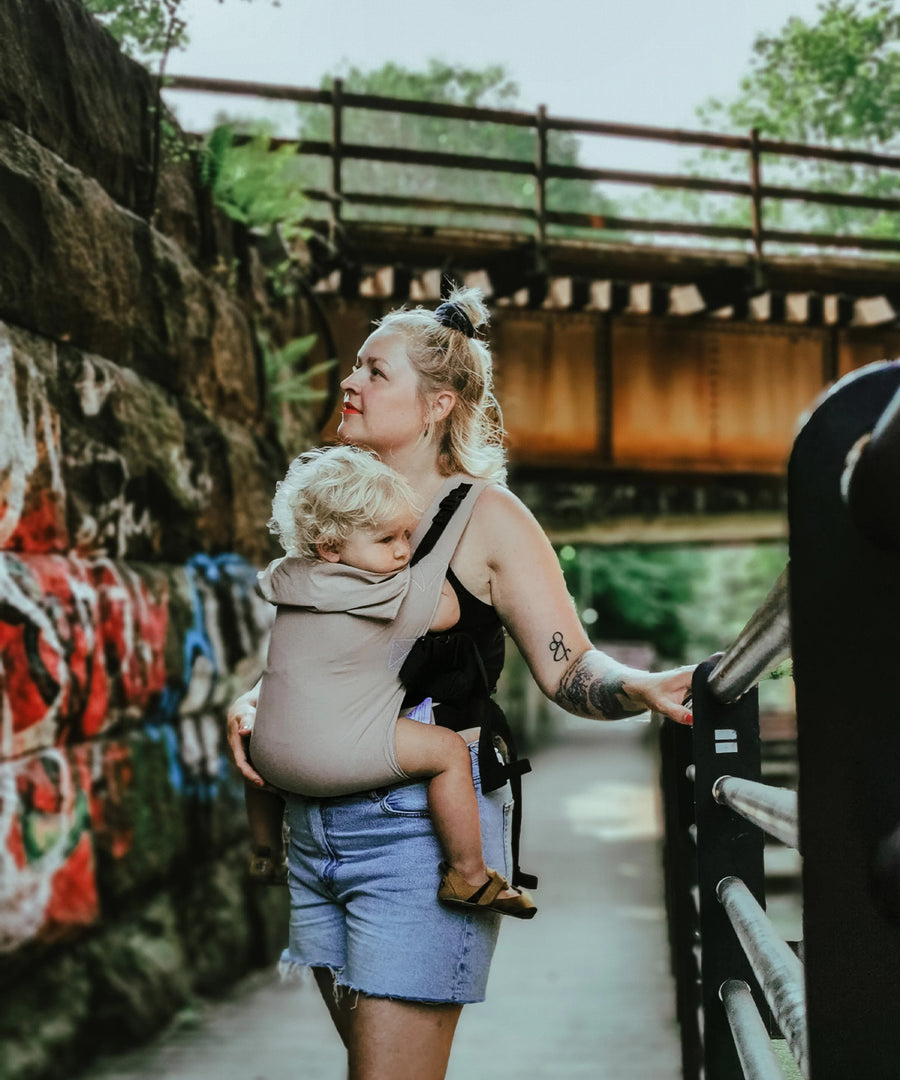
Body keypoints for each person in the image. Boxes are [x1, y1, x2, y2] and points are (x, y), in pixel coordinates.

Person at [227, 285, 694, 1080]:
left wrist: (639, 685)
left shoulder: (489, 517)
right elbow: (316, 649)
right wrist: (258, 701)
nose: (350, 382)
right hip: (317, 836)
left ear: (438, 402)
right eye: (355, 366)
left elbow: (570, 664)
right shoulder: (333, 508)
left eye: (376, 371)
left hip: (419, 836)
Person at [244, 444, 535, 919]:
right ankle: (469, 874)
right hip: (336, 759)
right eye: (387, 540)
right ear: (331, 548)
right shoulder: (383, 595)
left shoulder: (288, 580)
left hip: (269, 764)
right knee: (446, 752)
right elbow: (450, 610)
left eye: (408, 534)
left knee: (268, 736)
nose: (403, 550)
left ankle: (263, 852)